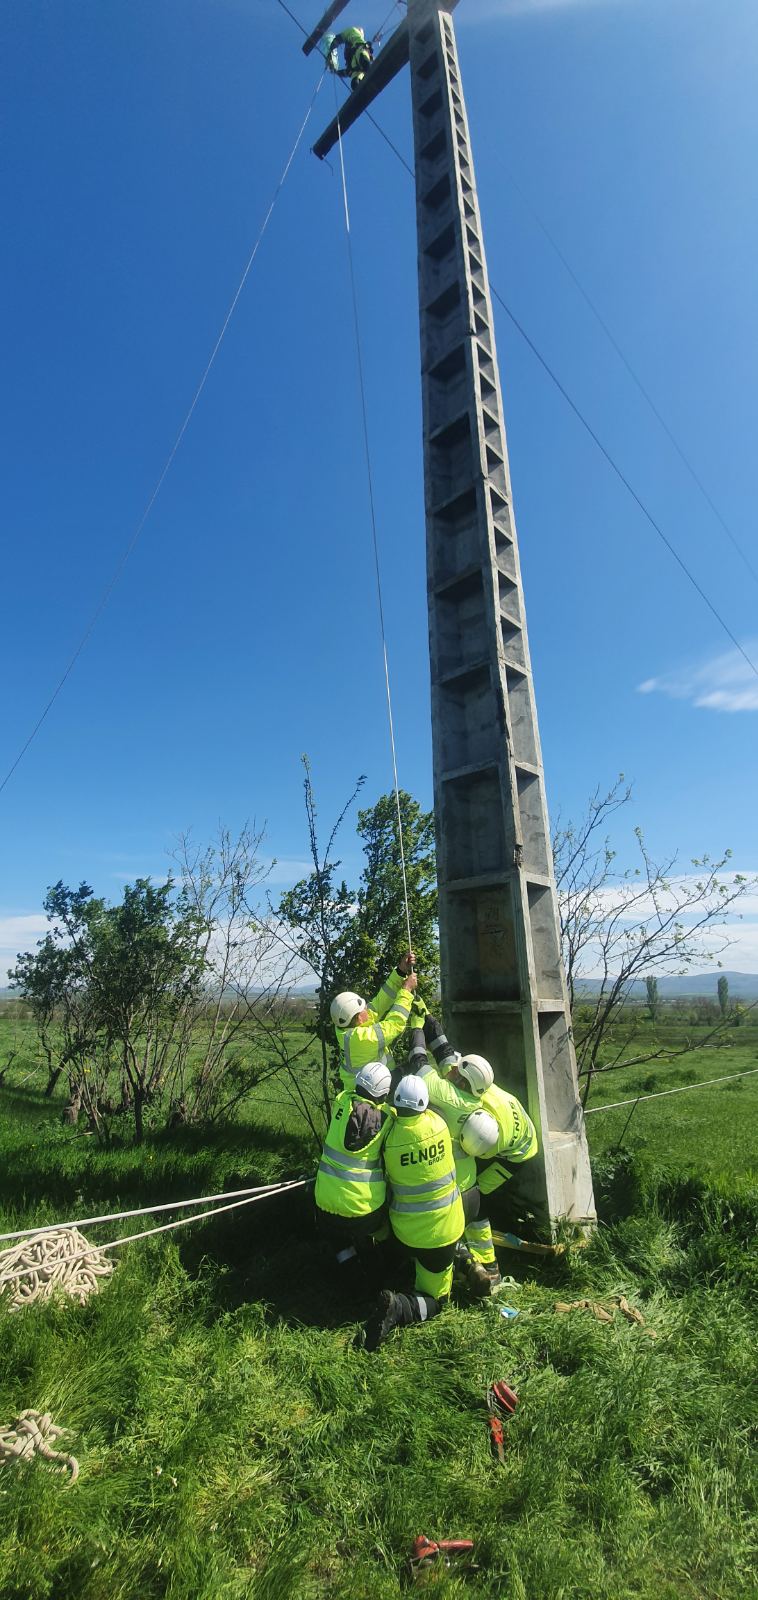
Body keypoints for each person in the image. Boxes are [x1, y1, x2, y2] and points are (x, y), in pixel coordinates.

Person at [410, 1011, 538, 1289]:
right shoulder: (478, 1085)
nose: (451, 1070)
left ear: (462, 1084)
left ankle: (487, 1265)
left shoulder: (456, 1100)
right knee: (475, 1197)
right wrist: (429, 1019)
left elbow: (419, 1066)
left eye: (456, 1072)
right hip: (517, 1134)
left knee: (476, 1200)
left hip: (515, 1154)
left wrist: (416, 1029)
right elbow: (447, 1055)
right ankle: (482, 1261)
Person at [362, 1073, 468, 1350]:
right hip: (443, 1234)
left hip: (404, 1233)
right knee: (438, 1300)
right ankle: (399, 1306)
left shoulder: (390, 1138)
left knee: (391, 1240)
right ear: (425, 1104)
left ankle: (381, 1272)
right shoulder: (440, 1125)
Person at [314, 1061, 395, 1271]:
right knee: (385, 1227)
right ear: (384, 1094)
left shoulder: (341, 1101)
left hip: (324, 1206)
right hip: (364, 1213)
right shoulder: (387, 1119)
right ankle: (384, 1263)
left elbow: (354, 1097)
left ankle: (348, 1265)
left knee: (336, 1234)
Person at [330, 952, 417, 1093]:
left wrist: (400, 971)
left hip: (373, 1085)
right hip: (370, 1094)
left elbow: (380, 1002)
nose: (368, 1008)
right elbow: (394, 1024)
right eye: (364, 1008)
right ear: (359, 1018)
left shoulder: (348, 1027)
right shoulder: (361, 1039)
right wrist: (406, 991)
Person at [325, 26, 374, 91]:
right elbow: (348, 72)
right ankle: (364, 84)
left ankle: (359, 86)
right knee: (362, 65)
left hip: (357, 56)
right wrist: (337, 72)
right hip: (357, 57)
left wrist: (331, 50)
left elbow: (340, 38)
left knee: (362, 64)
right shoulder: (355, 34)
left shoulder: (354, 33)